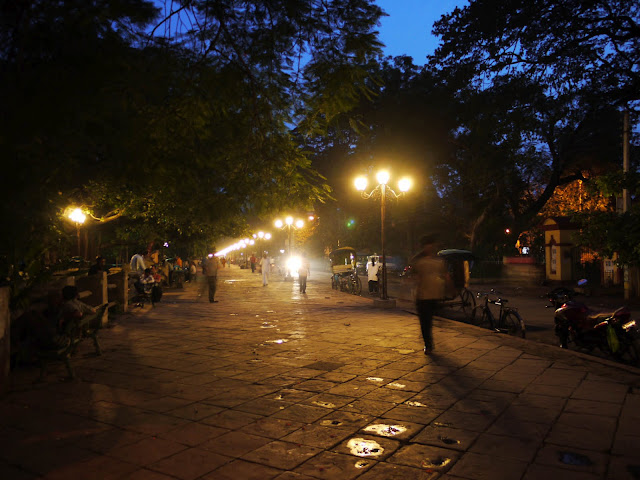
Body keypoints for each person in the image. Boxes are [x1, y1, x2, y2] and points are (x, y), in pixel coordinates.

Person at [411, 234, 454, 355]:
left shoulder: (436, 261)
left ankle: (428, 342)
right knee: (426, 322)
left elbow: (446, 276)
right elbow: (416, 278)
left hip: (431, 295)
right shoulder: (422, 261)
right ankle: (428, 343)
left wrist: (449, 288)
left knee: (427, 321)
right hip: (425, 295)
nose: (430, 247)